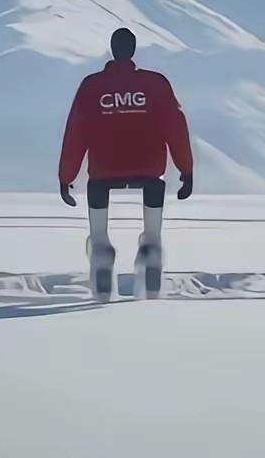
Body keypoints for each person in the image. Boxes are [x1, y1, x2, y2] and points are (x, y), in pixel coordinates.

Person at [58, 27, 193, 300]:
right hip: (150, 169)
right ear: (132, 51)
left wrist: (66, 176)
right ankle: (151, 250)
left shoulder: (92, 86)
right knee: (153, 217)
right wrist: (185, 170)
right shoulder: (156, 84)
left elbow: (76, 132)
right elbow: (176, 127)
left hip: (103, 172)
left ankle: (100, 252)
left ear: (112, 49)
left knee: (98, 218)